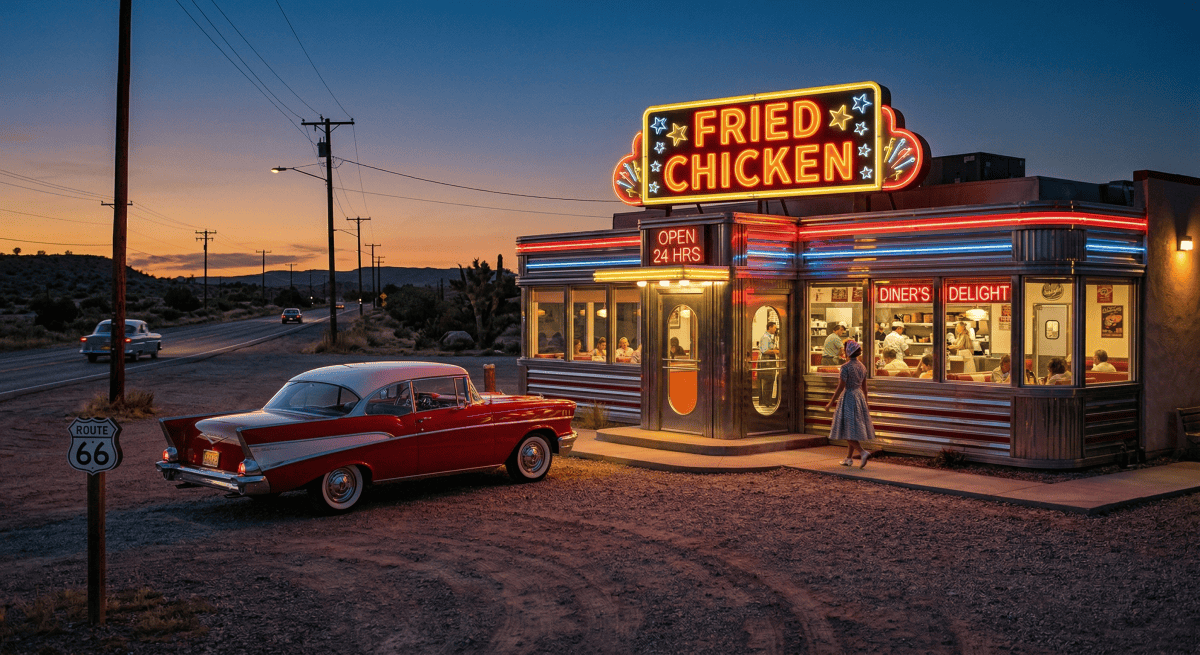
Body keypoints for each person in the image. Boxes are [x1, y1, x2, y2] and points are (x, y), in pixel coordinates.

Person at [824, 339, 876, 468]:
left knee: (845, 428)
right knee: (851, 428)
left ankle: (862, 452)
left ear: (848, 352)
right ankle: (848, 458)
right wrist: (866, 401)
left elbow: (841, 387)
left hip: (848, 397)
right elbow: (865, 387)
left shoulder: (845, 367)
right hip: (859, 397)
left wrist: (831, 402)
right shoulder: (862, 367)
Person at [759, 321, 780, 404]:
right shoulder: (765, 337)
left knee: (770, 381)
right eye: (774, 327)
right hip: (767, 361)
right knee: (768, 381)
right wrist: (776, 351)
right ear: (770, 327)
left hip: (770, 360)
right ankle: (766, 401)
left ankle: (767, 400)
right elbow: (765, 351)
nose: (775, 329)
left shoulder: (769, 337)